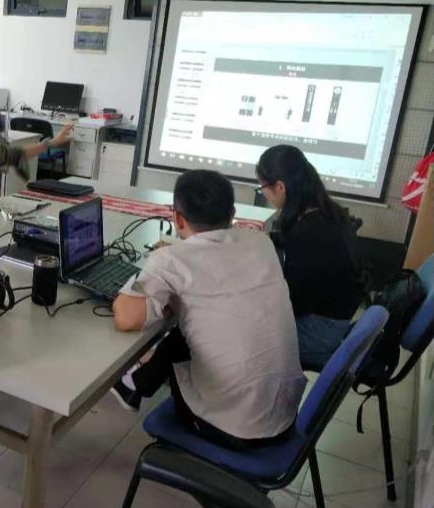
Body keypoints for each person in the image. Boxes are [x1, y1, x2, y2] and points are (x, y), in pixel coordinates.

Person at [111, 170, 306, 450]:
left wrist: (153, 265)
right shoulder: (261, 243)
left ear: (177, 219)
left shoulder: (169, 260)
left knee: (187, 329)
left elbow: (126, 319)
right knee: (209, 321)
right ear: (233, 214)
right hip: (283, 416)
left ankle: (135, 383)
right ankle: (136, 383)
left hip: (232, 428)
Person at [256, 145, 362, 368]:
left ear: (280, 187)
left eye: (262, 186)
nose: (263, 192)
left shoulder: (308, 234)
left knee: (238, 330)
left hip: (319, 333)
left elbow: (293, 304)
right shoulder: (326, 213)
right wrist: (267, 239)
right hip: (335, 318)